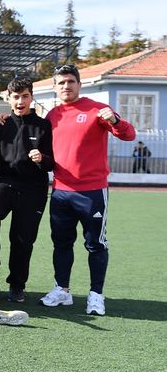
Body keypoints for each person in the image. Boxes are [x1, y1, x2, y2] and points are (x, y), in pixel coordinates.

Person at [40, 64, 136, 315]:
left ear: (79, 84)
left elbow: (128, 134)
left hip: (92, 192)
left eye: (71, 81)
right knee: (61, 243)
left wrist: (115, 120)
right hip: (60, 191)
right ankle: (62, 290)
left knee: (95, 244)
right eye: (61, 83)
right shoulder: (53, 115)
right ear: (54, 87)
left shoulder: (96, 109)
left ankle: (96, 296)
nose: (66, 86)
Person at [0, 78, 53, 303]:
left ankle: (17, 285)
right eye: (16, 97)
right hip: (6, 181)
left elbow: (52, 162)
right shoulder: (1, 125)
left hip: (34, 188)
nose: (20, 101)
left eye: (25, 96)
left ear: (31, 97)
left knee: (22, 238)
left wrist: (42, 159)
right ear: (9, 99)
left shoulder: (43, 126)